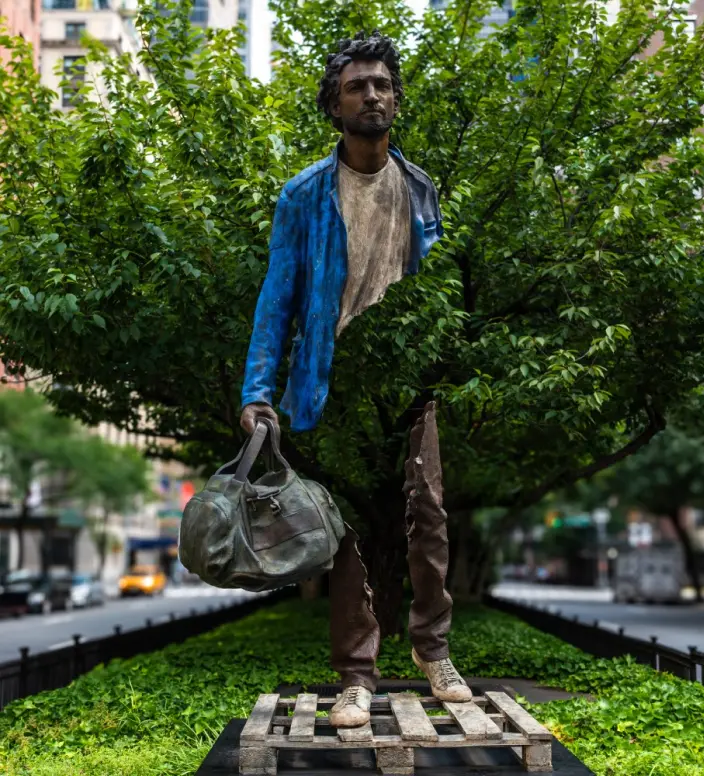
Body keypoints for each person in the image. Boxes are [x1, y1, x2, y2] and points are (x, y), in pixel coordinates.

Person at [240, 30, 471, 728]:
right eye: (356, 87)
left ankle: (434, 653)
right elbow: (276, 296)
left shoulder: (422, 187)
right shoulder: (303, 196)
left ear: (396, 97)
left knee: (426, 518)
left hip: (409, 385)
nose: (372, 94)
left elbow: (443, 289)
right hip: (329, 382)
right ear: (334, 107)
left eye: (382, 84)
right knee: (339, 534)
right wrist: (257, 390)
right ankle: (356, 677)